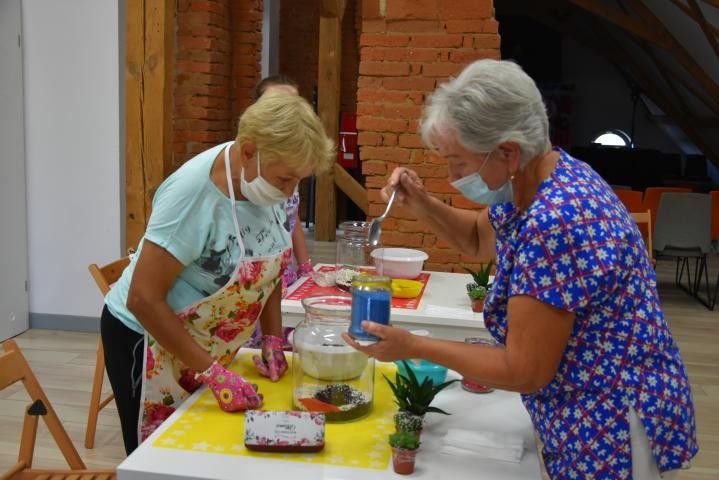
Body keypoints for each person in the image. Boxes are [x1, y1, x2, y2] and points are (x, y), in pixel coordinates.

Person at [343, 59, 697, 479]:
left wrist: (415, 346)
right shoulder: (539, 178)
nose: (453, 176)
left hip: (611, 424)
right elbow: (477, 238)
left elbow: (525, 370)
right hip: (589, 408)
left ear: (509, 151)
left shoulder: (557, 219)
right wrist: (419, 202)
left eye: (458, 162)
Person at [102, 91, 334, 454]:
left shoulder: (264, 184)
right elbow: (143, 298)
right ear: (247, 152)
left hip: (205, 343)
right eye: (285, 179)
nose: (290, 192)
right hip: (147, 340)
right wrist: (212, 372)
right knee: (163, 459)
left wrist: (273, 339)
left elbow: (269, 266)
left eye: (298, 182)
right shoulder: (194, 193)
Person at [245, 75, 314, 350]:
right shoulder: (250, 166)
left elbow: (291, 215)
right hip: (253, 277)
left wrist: (305, 266)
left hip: (282, 271)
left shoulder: (290, 164)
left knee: (283, 347)